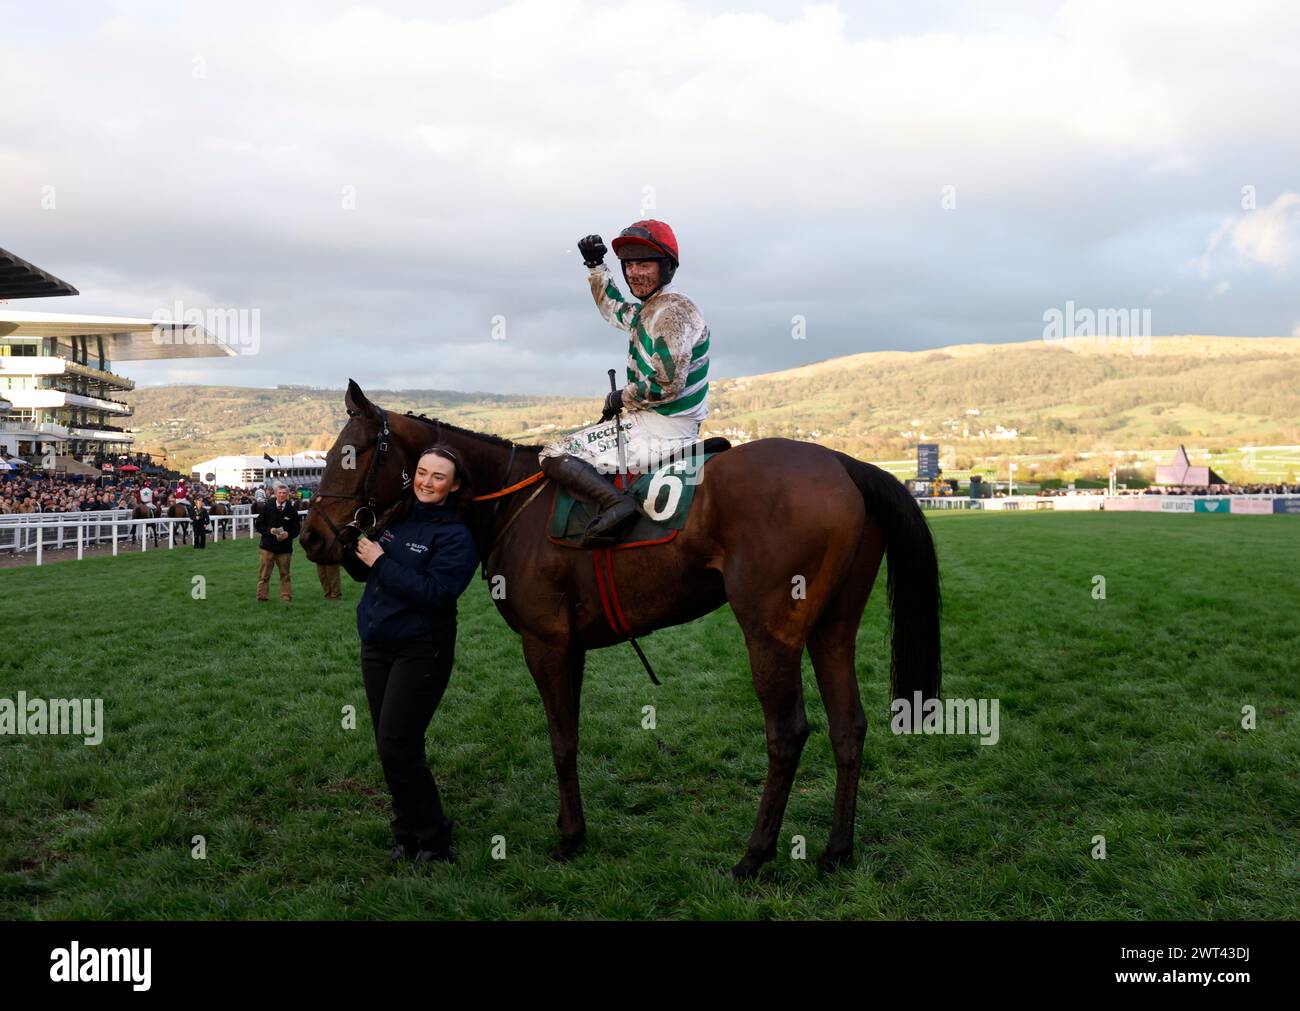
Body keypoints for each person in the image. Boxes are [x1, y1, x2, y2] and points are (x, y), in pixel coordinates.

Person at [339, 445, 479, 865]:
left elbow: (437, 595)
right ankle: (407, 835)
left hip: (423, 647)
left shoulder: (456, 536)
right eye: (422, 472)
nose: (427, 482)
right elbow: (364, 571)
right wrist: (350, 547)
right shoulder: (395, 518)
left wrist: (381, 561)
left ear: (454, 486)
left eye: (439, 477)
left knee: (399, 743)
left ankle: (435, 842)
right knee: (390, 746)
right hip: (376, 642)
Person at [538, 219, 710, 546]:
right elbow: (612, 308)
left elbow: (667, 384)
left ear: (667, 267)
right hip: (653, 421)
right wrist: (596, 267)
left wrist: (622, 396)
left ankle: (617, 503)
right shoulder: (650, 309)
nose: (634, 272)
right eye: (629, 265)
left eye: (644, 264)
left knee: (553, 453)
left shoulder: (673, 312)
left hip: (663, 429)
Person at [255, 481, 301, 601]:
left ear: (287, 495)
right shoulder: (267, 507)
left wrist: (288, 534)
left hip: (284, 549)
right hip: (267, 547)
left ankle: (286, 597)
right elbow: (259, 525)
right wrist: (269, 531)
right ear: (275, 494)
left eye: (284, 493)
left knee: (285, 574)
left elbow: (297, 529)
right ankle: (262, 597)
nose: (282, 495)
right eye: (279, 493)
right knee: (264, 575)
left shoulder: (291, 510)